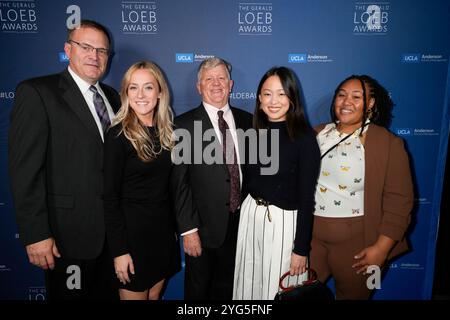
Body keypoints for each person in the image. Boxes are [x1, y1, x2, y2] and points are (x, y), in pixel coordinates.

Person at [8, 20, 120, 300]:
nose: (94, 56)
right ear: (68, 50)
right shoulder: (38, 93)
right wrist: (35, 234)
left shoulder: (113, 97)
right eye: (86, 47)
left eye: (102, 50)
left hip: (114, 236)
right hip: (67, 236)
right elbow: (25, 172)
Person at [310, 75, 414, 299]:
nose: (346, 102)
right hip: (311, 242)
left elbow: (400, 201)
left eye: (356, 97)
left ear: (370, 104)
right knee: (301, 295)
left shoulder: (388, 143)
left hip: (361, 247)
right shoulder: (316, 133)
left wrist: (382, 249)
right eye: (341, 95)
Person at [233, 66, 321, 300]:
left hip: (282, 223)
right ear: (259, 98)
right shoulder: (253, 132)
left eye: (282, 94)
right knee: (248, 286)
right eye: (267, 93)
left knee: (276, 290)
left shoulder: (305, 138)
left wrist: (301, 249)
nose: (274, 101)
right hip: (251, 216)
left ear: (292, 98)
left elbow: (306, 198)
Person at [171, 57, 253, 300]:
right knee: (198, 292)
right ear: (199, 87)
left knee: (230, 290)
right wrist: (188, 230)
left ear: (231, 84)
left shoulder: (249, 122)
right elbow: (179, 184)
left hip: (241, 226)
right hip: (202, 230)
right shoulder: (182, 125)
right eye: (209, 79)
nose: (216, 84)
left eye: (221, 78)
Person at [103, 61, 180, 300]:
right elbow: (110, 197)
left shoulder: (168, 132)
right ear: (125, 93)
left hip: (162, 234)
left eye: (148, 87)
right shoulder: (118, 135)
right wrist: (120, 251)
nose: (140, 95)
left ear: (160, 92)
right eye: (133, 88)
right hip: (132, 239)